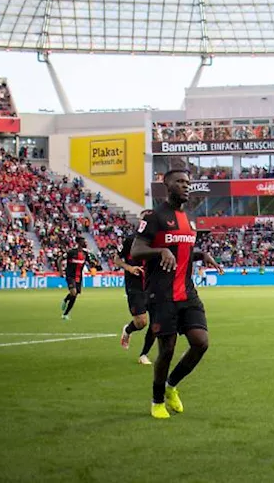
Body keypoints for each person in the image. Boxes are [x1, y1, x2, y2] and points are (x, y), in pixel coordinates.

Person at [131, 169, 225, 419]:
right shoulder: (154, 217)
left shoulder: (188, 219)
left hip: (187, 292)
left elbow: (181, 252)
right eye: (180, 182)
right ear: (167, 186)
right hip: (162, 294)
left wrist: (201, 255)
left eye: (188, 182)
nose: (185, 186)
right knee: (167, 350)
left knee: (200, 342)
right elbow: (137, 250)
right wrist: (160, 250)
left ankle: (172, 385)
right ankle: (157, 400)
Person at [115, 210, 156, 365]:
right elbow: (117, 260)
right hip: (135, 285)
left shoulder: (157, 241)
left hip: (153, 285)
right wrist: (129, 268)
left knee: (156, 322)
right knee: (141, 322)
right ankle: (128, 330)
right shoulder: (130, 240)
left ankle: (144, 354)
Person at [60, 242, 95, 320]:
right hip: (70, 276)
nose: (85, 243)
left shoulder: (85, 253)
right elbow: (60, 259)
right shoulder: (71, 252)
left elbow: (91, 262)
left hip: (79, 277)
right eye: (83, 241)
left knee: (74, 295)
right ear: (79, 243)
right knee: (74, 292)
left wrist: (93, 263)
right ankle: (65, 308)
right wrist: (60, 271)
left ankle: (65, 312)